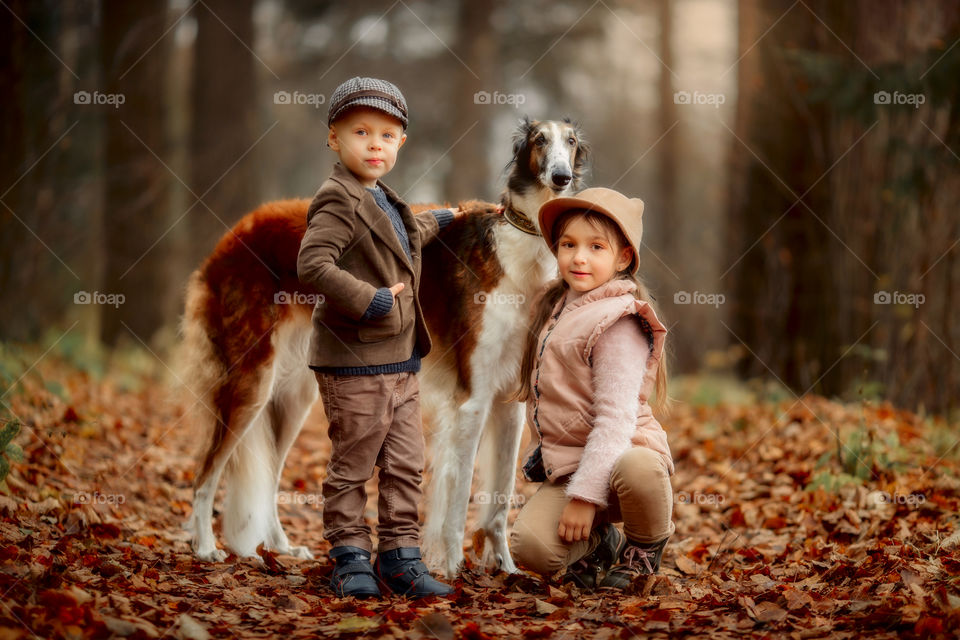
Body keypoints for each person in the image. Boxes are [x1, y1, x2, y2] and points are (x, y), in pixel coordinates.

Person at [297, 77, 459, 599]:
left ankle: (400, 557)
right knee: (354, 465)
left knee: (406, 464)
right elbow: (312, 264)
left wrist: (450, 218)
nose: (374, 144)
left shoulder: (381, 195)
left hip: (403, 362)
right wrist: (372, 300)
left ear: (401, 144)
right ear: (333, 138)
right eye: (361, 132)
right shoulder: (337, 197)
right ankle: (349, 558)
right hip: (354, 362)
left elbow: (402, 234)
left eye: (387, 135)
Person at [509, 187, 675, 590]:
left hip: (622, 464)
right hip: (571, 466)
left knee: (637, 467)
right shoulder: (554, 307)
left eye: (595, 247)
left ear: (622, 258)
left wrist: (584, 499)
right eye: (568, 244)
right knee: (530, 548)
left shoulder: (618, 321)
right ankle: (602, 542)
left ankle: (643, 547)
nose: (578, 257)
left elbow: (615, 424)